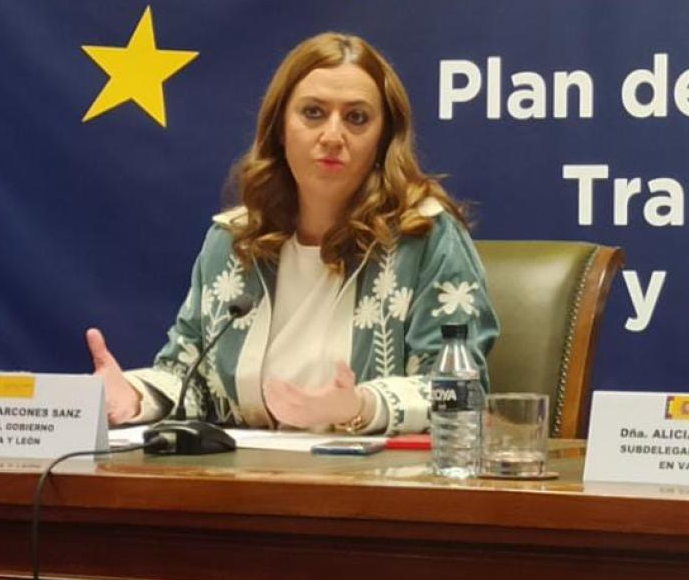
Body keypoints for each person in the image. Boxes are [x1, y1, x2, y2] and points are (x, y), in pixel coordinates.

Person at [87, 32, 497, 434]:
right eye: (313, 113)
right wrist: (135, 396)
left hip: (375, 474)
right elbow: (192, 381)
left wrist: (361, 406)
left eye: (356, 118)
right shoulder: (235, 241)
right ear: (281, 128)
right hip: (249, 473)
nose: (332, 136)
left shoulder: (424, 235)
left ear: (384, 138)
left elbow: (462, 392)